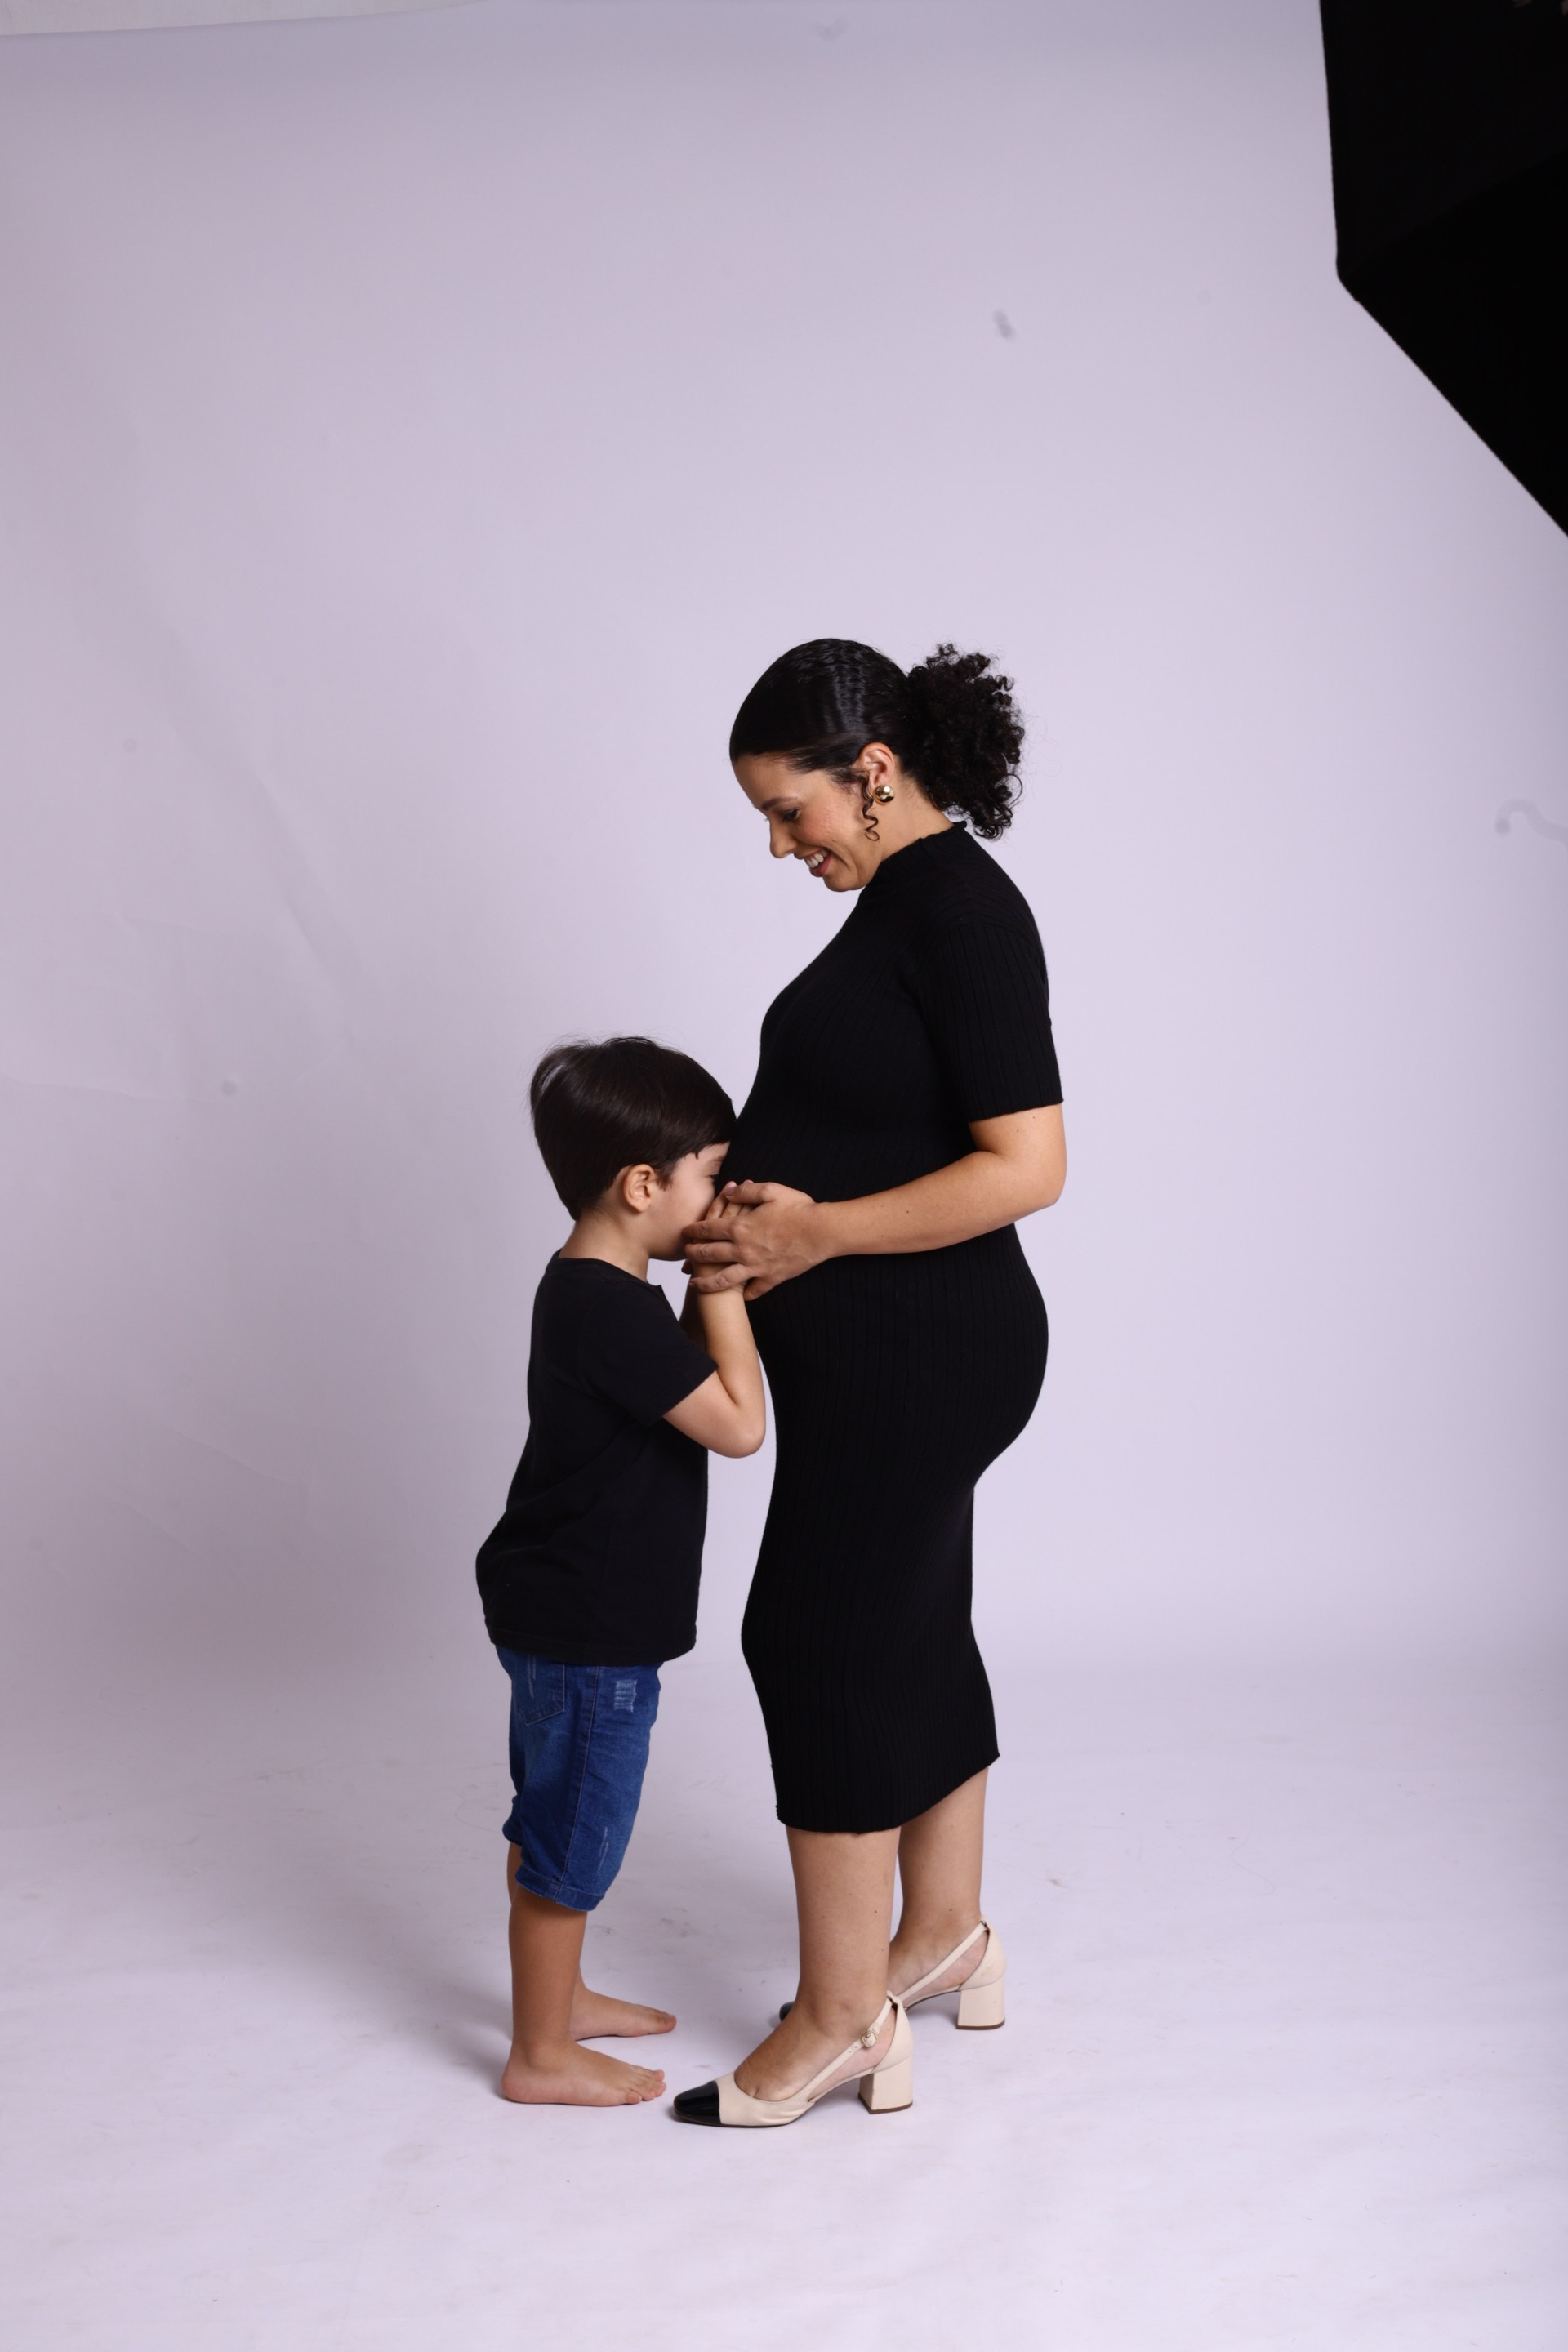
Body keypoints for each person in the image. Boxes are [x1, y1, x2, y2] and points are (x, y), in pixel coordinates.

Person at [672, 640, 1066, 2129]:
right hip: (902, 1352)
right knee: (908, 1620)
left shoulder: (962, 913)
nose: (782, 846)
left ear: (875, 772)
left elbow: (1029, 1165)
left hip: (925, 1347)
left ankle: (840, 2019)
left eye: (791, 811)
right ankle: (944, 1936)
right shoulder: (909, 906)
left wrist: (814, 1231)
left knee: (815, 1634)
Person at [476, 1036, 765, 2108]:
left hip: (554, 1607)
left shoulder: (593, 1292)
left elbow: (680, 1388)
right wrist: (722, 1278)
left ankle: (560, 2000)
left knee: (547, 1814)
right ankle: (539, 2054)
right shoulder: (610, 1310)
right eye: (711, 1176)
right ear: (644, 1185)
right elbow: (738, 1425)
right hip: (590, 1630)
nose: (722, 1197)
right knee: (572, 1836)